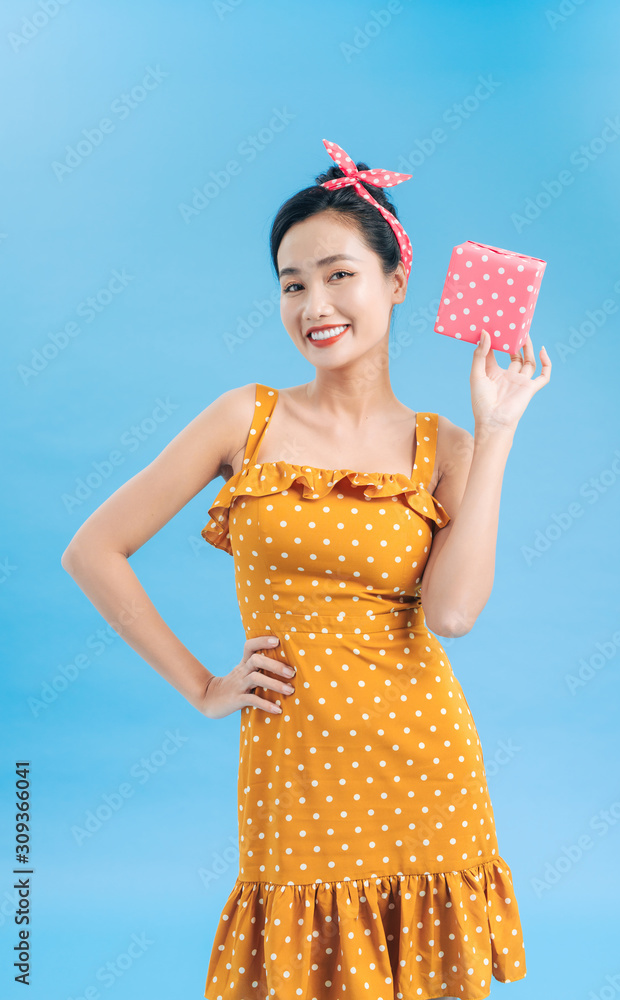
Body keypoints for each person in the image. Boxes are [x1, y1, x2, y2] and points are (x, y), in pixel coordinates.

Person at [62, 138, 551, 1000]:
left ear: (396, 280)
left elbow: (453, 615)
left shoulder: (447, 445)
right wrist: (205, 686)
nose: (313, 304)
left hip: (421, 762)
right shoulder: (242, 420)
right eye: (292, 283)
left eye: (337, 275)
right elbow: (92, 551)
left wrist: (499, 427)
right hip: (295, 765)